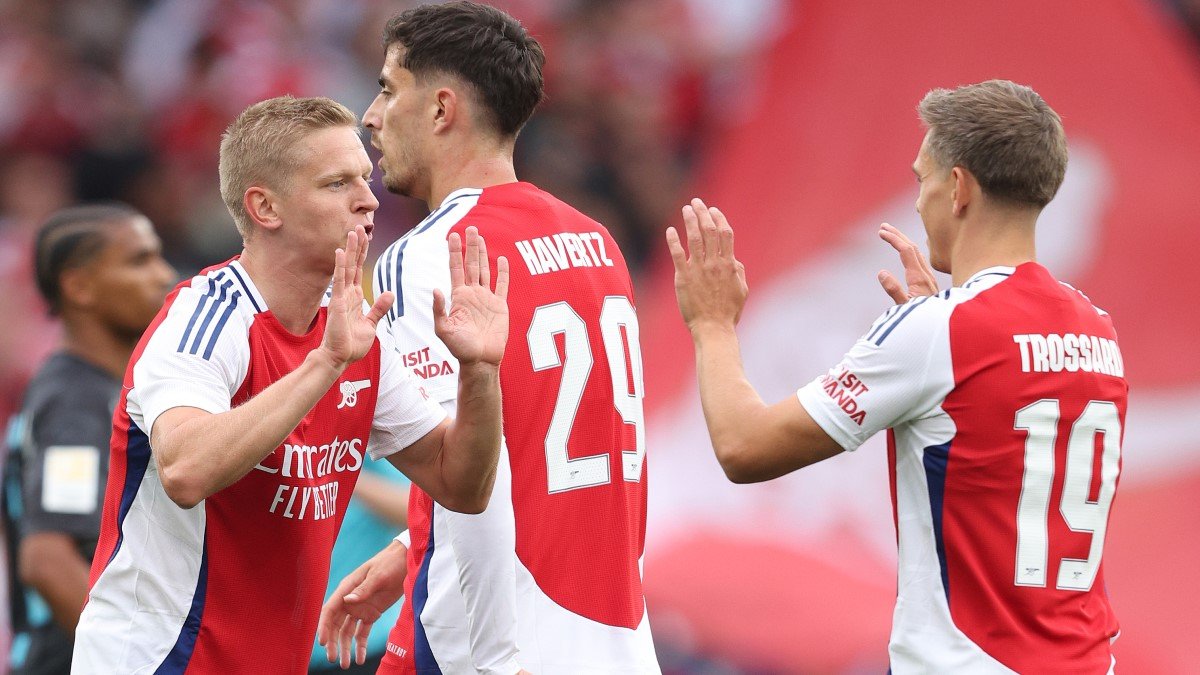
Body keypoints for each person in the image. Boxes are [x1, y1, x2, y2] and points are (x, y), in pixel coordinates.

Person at [665, 80, 1127, 673]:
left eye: (921, 179)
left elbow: (743, 447)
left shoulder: (937, 333)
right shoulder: (1097, 330)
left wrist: (712, 323)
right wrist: (934, 331)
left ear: (958, 187)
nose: (917, 202)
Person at [71, 95, 510, 674]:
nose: (368, 199)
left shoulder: (355, 331)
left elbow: (462, 485)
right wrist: (324, 365)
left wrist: (481, 373)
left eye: (365, 178)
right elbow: (184, 470)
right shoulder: (207, 317)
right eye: (336, 184)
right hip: (161, 660)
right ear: (265, 207)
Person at [318, 3, 659, 673]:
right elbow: (532, 449)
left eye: (388, 88)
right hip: (611, 638)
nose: (371, 116)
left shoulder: (429, 254)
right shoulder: (596, 241)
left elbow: (467, 474)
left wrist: (493, 655)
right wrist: (409, 550)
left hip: (488, 641)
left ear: (441, 108)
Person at [2, 204, 174, 674]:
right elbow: (47, 559)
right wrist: (130, 663)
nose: (163, 275)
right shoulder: (74, 401)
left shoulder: (104, 388)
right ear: (79, 287)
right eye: (138, 261)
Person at [309, 466, 411, 675]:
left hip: (360, 644)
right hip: (285, 646)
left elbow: (417, 509)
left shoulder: (371, 451)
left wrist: (343, 474)